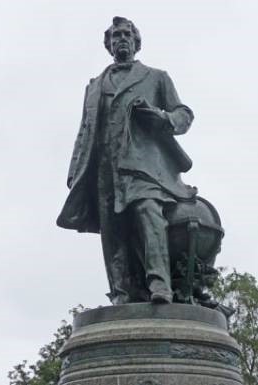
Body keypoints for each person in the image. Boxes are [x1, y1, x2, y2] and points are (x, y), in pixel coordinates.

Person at [57, 16, 196, 305]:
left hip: (143, 165)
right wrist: (75, 171)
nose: (121, 39)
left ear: (136, 42)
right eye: (116, 36)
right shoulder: (94, 86)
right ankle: (121, 294)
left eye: (126, 35)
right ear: (109, 45)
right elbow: (85, 130)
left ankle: (160, 285)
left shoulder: (156, 77)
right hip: (104, 168)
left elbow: (183, 115)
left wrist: (161, 117)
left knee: (148, 213)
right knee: (113, 232)